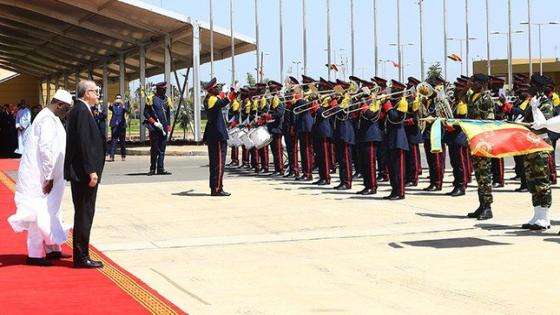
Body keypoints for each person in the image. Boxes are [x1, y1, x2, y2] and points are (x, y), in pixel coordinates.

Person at [8, 90, 73, 267]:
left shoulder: (52, 118)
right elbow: (46, 149)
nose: (66, 113)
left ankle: (53, 248)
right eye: (66, 109)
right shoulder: (46, 119)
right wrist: (50, 176)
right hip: (42, 176)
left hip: (52, 175)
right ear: (59, 104)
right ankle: (34, 254)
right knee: (39, 213)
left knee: (52, 211)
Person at [64, 80, 106, 268]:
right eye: (95, 91)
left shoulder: (82, 110)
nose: (98, 94)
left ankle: (82, 254)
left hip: (83, 172)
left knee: (84, 213)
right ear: (85, 93)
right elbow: (84, 143)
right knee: (84, 213)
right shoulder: (81, 111)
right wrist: (91, 171)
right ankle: (81, 257)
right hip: (83, 174)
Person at [466, 74, 494, 220]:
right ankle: (482, 205)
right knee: (478, 174)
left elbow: (489, 121)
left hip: (483, 141)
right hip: (474, 140)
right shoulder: (472, 97)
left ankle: (488, 207)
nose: (471, 83)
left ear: (481, 84)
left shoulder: (486, 99)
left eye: (474, 81)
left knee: (484, 175)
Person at [203, 78, 233, 196]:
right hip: (218, 135)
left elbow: (220, 101)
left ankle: (215, 187)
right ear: (212, 89)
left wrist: (227, 96)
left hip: (213, 135)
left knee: (215, 163)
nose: (219, 89)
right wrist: (231, 95)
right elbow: (221, 103)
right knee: (219, 163)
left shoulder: (210, 99)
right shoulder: (211, 99)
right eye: (217, 88)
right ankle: (217, 189)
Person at [144, 82, 172, 175]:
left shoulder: (167, 100)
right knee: (154, 148)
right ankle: (152, 169)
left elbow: (167, 114)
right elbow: (146, 113)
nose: (165, 90)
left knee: (162, 149)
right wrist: (154, 122)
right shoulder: (151, 99)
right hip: (154, 127)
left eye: (165, 89)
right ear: (159, 89)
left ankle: (161, 168)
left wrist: (168, 126)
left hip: (163, 127)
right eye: (163, 89)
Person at [109, 94, 129, 162]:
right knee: (113, 141)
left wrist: (123, 105)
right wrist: (113, 103)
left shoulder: (123, 106)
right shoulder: (113, 106)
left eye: (119, 98)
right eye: (117, 98)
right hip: (114, 125)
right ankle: (111, 156)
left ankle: (123, 155)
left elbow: (127, 111)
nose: (118, 100)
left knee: (122, 141)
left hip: (121, 126)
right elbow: (110, 107)